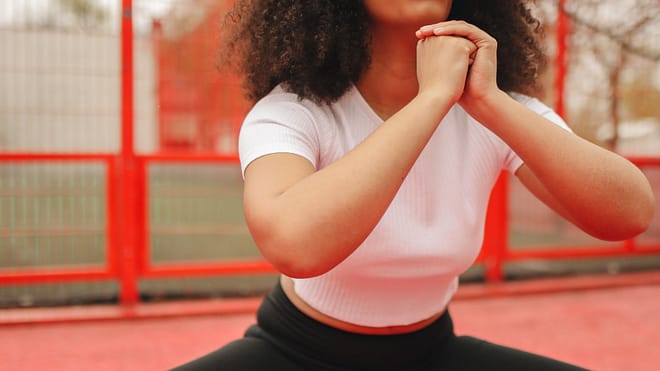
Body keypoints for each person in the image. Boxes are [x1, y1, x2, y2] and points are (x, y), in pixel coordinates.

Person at [174, 0, 655, 370]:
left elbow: (629, 214)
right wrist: (430, 102)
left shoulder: (495, 109)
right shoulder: (292, 112)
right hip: (297, 352)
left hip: (434, 351)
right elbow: (292, 242)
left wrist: (485, 101)